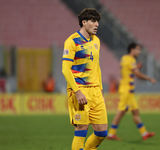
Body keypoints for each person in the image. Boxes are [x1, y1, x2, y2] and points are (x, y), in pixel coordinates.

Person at [62, 8, 108, 150]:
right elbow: (65, 69)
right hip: (79, 91)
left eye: (98, 22)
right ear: (84, 22)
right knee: (81, 130)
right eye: (93, 21)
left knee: (102, 132)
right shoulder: (72, 41)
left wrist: (100, 89)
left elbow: (96, 67)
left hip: (95, 91)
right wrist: (77, 91)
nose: (97, 25)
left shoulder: (96, 41)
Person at [107, 42, 156, 141]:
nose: (139, 51)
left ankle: (144, 133)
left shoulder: (124, 58)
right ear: (132, 50)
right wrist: (149, 79)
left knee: (135, 112)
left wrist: (136, 68)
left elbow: (128, 70)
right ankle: (111, 134)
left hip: (127, 90)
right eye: (137, 49)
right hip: (127, 90)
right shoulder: (131, 60)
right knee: (121, 111)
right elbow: (137, 74)